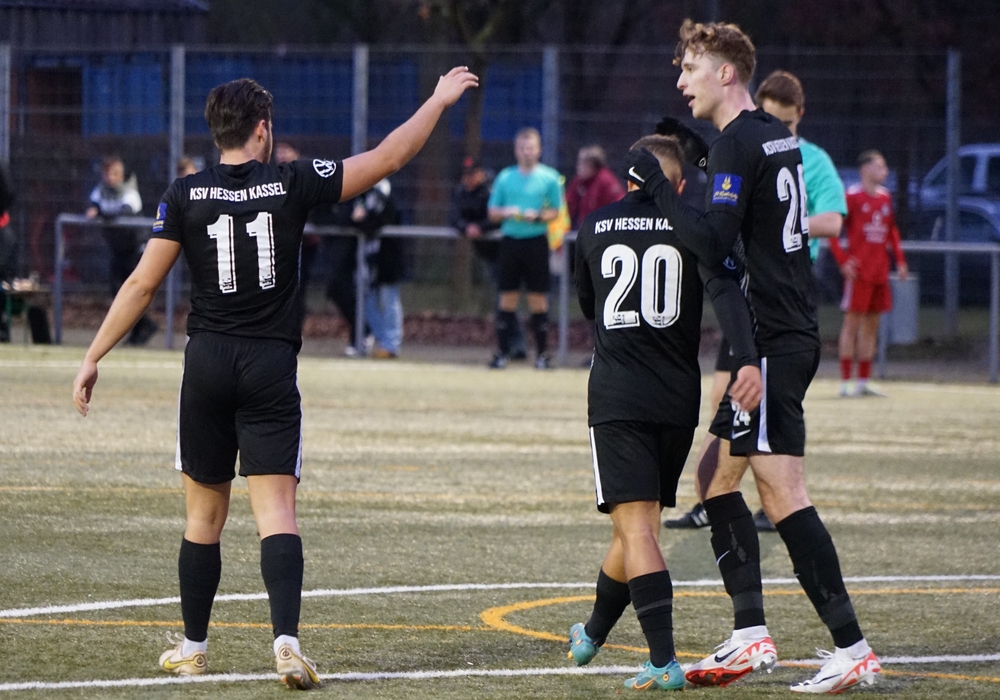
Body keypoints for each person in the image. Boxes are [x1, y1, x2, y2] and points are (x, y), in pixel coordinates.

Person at [71, 67, 478, 689]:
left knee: (202, 518)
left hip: (207, 363)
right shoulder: (292, 180)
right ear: (262, 129)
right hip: (269, 365)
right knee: (277, 512)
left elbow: (141, 284)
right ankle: (286, 645)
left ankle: (193, 646)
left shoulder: (184, 193)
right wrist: (437, 101)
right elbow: (389, 157)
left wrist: (93, 354)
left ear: (216, 133)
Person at [624, 19, 881, 693]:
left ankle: (852, 647)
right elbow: (752, 211)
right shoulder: (772, 134)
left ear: (726, 73)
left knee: (783, 492)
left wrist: (660, 187)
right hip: (780, 332)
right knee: (715, 480)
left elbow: (713, 242)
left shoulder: (740, 141)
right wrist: (703, 160)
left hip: (771, 342)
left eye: (691, 68)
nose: (682, 81)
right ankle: (749, 635)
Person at [570, 134, 761, 691]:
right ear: (677, 185)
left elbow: (589, 305)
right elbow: (726, 291)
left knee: (636, 528)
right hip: (677, 398)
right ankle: (592, 634)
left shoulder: (595, 225)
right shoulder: (692, 229)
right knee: (639, 527)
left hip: (619, 395)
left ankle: (662, 659)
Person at [666, 69, 847, 533]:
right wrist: (700, 155)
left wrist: (773, 218)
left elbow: (832, 220)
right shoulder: (751, 142)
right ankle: (721, 505)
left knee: (765, 427)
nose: (775, 127)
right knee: (723, 404)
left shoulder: (808, 157)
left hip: (779, 299)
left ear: (800, 117)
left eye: (786, 122)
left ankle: (770, 498)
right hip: (745, 294)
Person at [830, 150, 907, 398]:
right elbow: (834, 230)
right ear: (865, 170)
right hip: (859, 274)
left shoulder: (885, 198)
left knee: (872, 326)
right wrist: (843, 261)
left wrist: (900, 261)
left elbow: (891, 231)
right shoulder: (852, 197)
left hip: (879, 272)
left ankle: (863, 382)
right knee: (851, 324)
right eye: (879, 166)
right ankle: (845, 383)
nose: (884, 171)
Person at [487, 127, 564, 369]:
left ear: (538, 150)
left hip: (536, 242)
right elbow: (492, 212)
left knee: (538, 299)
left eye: (530, 147)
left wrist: (538, 216)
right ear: (515, 150)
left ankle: (542, 355)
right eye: (522, 147)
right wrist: (507, 212)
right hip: (511, 242)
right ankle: (502, 353)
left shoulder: (550, 178)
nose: (526, 152)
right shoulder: (505, 177)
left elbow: (556, 211)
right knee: (507, 298)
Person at [448, 157, 527, 359]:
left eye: (472, 174)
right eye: (465, 175)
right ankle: (511, 346)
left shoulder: (492, 190)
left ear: (481, 174)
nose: (468, 179)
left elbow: (498, 218)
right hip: (488, 254)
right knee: (504, 300)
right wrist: (466, 227)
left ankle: (514, 346)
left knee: (505, 300)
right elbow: (454, 217)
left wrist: (480, 228)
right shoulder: (461, 192)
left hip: (504, 250)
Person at [86, 156, 158, 346]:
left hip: (135, 250)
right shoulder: (101, 191)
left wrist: (101, 213)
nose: (111, 177)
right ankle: (143, 326)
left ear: (122, 175)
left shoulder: (130, 194)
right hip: (118, 251)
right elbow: (94, 205)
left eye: (115, 173)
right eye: (107, 173)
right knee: (117, 292)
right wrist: (95, 209)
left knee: (131, 293)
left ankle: (143, 328)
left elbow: (123, 213)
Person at [352, 178, 405, 358]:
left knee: (389, 302)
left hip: (386, 261)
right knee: (367, 301)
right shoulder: (361, 193)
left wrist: (362, 220)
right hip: (368, 261)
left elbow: (376, 222)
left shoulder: (383, 193)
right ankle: (383, 340)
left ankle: (391, 345)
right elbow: (357, 220)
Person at [274, 142, 322, 335]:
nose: (281, 156)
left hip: (305, 243)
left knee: (298, 287)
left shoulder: (307, 174)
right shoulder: (275, 175)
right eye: (278, 152)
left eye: (285, 151)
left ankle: (294, 328)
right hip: (284, 242)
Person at [566, 145, 625, 228]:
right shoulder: (579, 180)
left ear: (591, 165)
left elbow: (620, 206)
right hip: (585, 228)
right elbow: (568, 204)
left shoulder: (606, 180)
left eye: (581, 163)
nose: (578, 167)